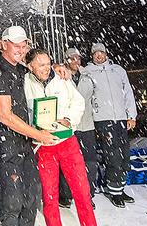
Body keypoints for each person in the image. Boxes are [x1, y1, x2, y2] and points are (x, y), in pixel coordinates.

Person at [0, 25, 56, 226]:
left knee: (31, 198)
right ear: (4, 44)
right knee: (11, 203)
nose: (21, 50)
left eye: (24, 46)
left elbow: (41, 72)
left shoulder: (20, 69)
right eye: (16, 46)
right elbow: (5, 116)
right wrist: (39, 135)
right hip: (4, 146)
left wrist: (58, 71)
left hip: (22, 144)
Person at [24, 48, 97, 226]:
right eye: (41, 65)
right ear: (29, 66)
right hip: (43, 147)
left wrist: (69, 119)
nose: (46, 68)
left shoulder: (61, 78)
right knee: (49, 198)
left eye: (49, 63)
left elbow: (78, 102)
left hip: (67, 144)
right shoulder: (23, 83)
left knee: (82, 193)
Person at [84, 42, 137, 208]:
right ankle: (114, 191)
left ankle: (119, 188)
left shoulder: (118, 70)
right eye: (95, 53)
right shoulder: (87, 71)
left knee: (123, 154)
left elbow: (128, 92)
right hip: (103, 120)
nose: (99, 55)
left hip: (121, 118)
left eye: (101, 52)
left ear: (106, 53)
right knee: (112, 154)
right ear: (92, 56)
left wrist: (131, 115)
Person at [58, 47, 98, 201]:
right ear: (66, 60)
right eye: (72, 58)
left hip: (86, 125)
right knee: (67, 162)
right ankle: (66, 194)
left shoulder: (87, 75)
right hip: (68, 126)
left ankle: (87, 195)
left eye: (78, 58)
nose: (76, 61)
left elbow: (96, 96)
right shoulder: (59, 76)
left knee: (90, 162)